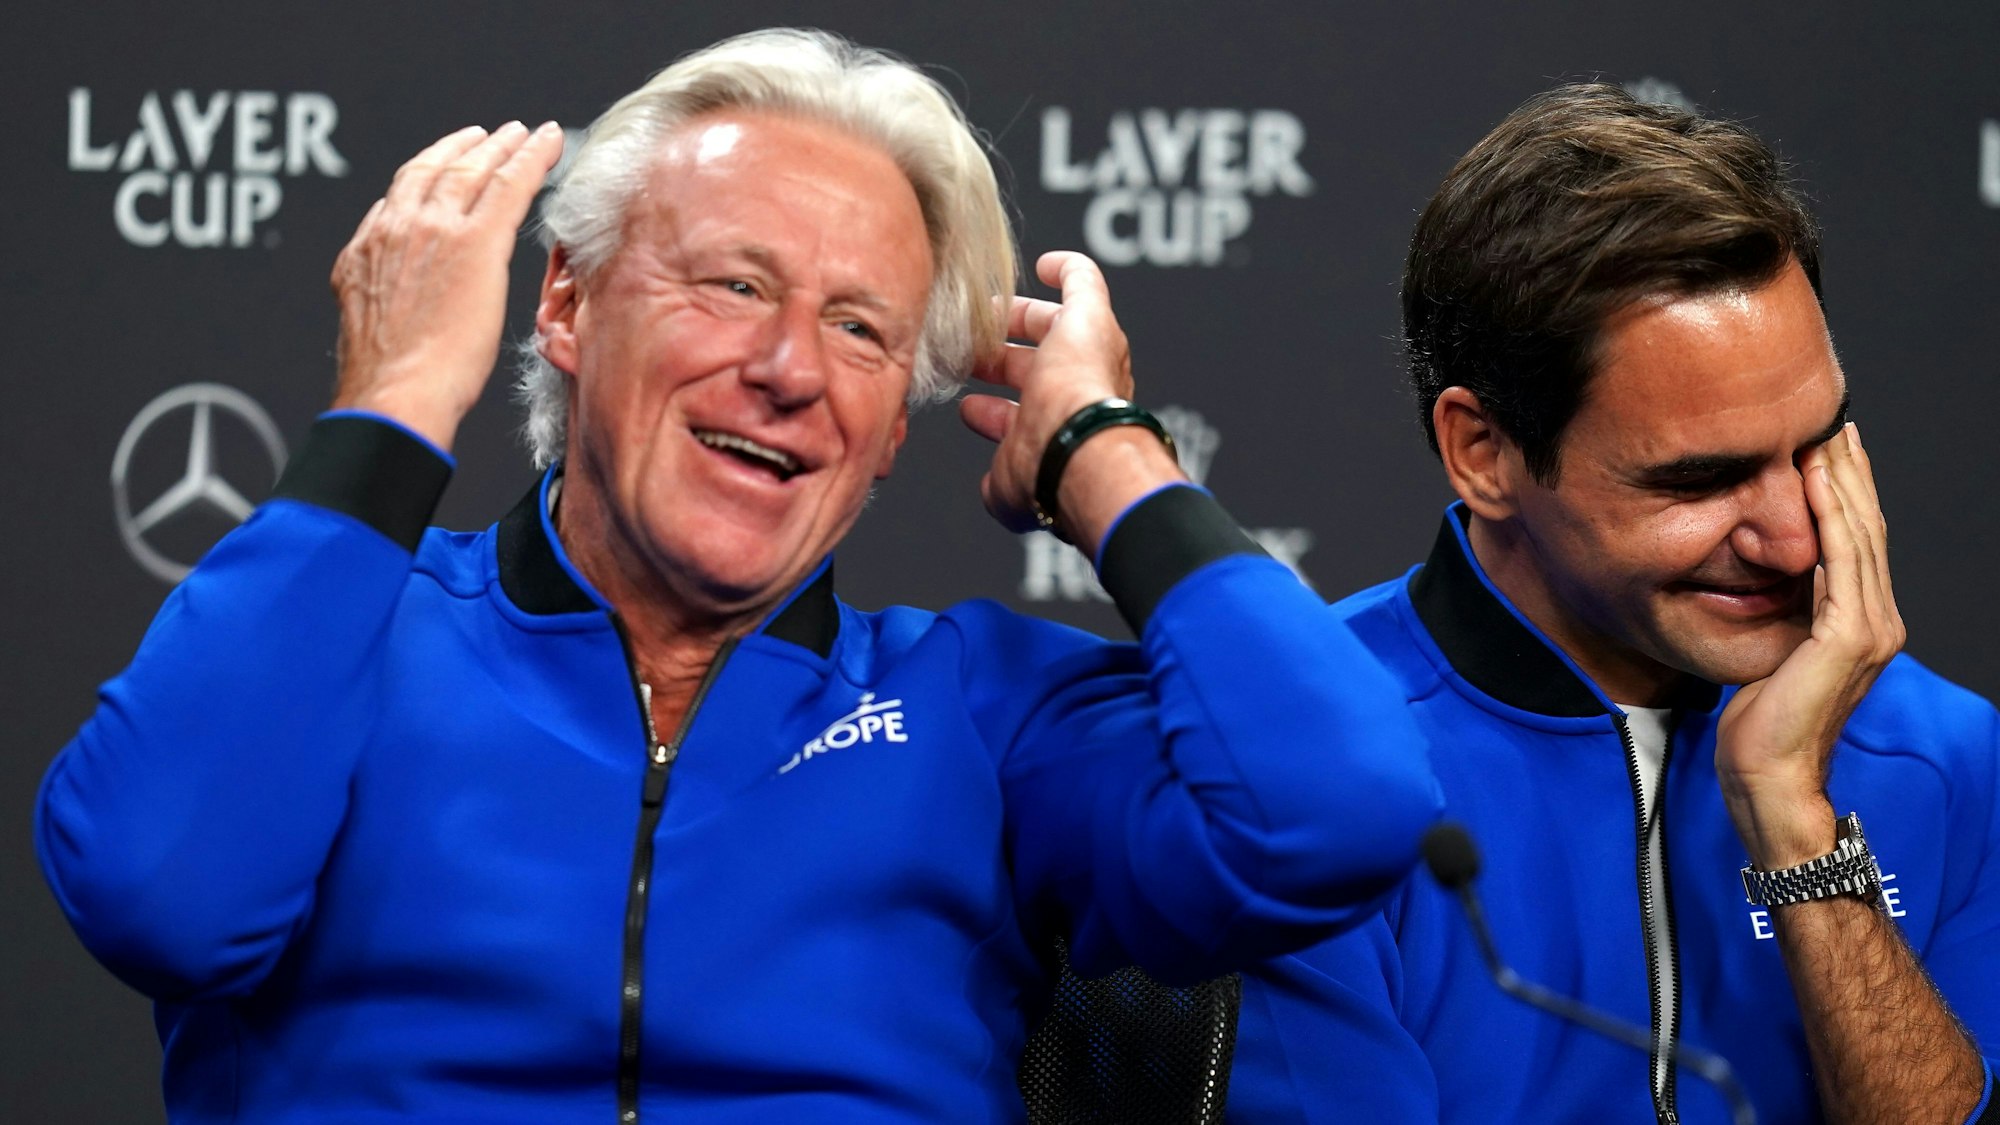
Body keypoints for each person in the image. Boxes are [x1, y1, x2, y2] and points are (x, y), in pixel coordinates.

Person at [35, 29, 1441, 1125]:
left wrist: (1105, 453)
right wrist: (397, 398)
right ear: (569, 305)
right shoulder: (345, 640)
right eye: (733, 286)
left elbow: (1342, 809)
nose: (787, 371)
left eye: (858, 328)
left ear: (897, 425)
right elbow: (157, 891)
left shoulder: (983, 710)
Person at [1226, 84, 2000, 1124]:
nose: (1794, 536)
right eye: (1698, 480)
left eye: (1814, 448)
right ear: (1483, 454)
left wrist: (1793, 822)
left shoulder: (1943, 755)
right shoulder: (1298, 759)